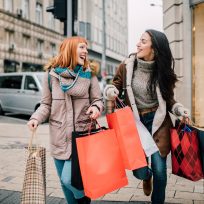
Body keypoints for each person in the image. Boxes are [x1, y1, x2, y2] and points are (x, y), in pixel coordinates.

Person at [103, 29, 190, 204]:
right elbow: (115, 85)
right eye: (139, 40)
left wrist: (180, 110)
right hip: (134, 123)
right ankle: (145, 176)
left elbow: (169, 100)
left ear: (155, 48)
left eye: (143, 41)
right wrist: (111, 91)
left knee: (160, 170)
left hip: (158, 123)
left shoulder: (163, 71)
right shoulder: (127, 66)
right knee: (139, 170)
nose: (138, 44)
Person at [27, 36, 103, 204]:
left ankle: (84, 199)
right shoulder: (51, 75)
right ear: (70, 49)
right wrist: (36, 118)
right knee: (64, 182)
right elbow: (46, 104)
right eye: (82, 47)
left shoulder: (89, 74)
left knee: (69, 180)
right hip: (59, 137)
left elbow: (98, 100)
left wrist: (96, 108)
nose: (86, 51)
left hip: (82, 137)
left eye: (86, 48)